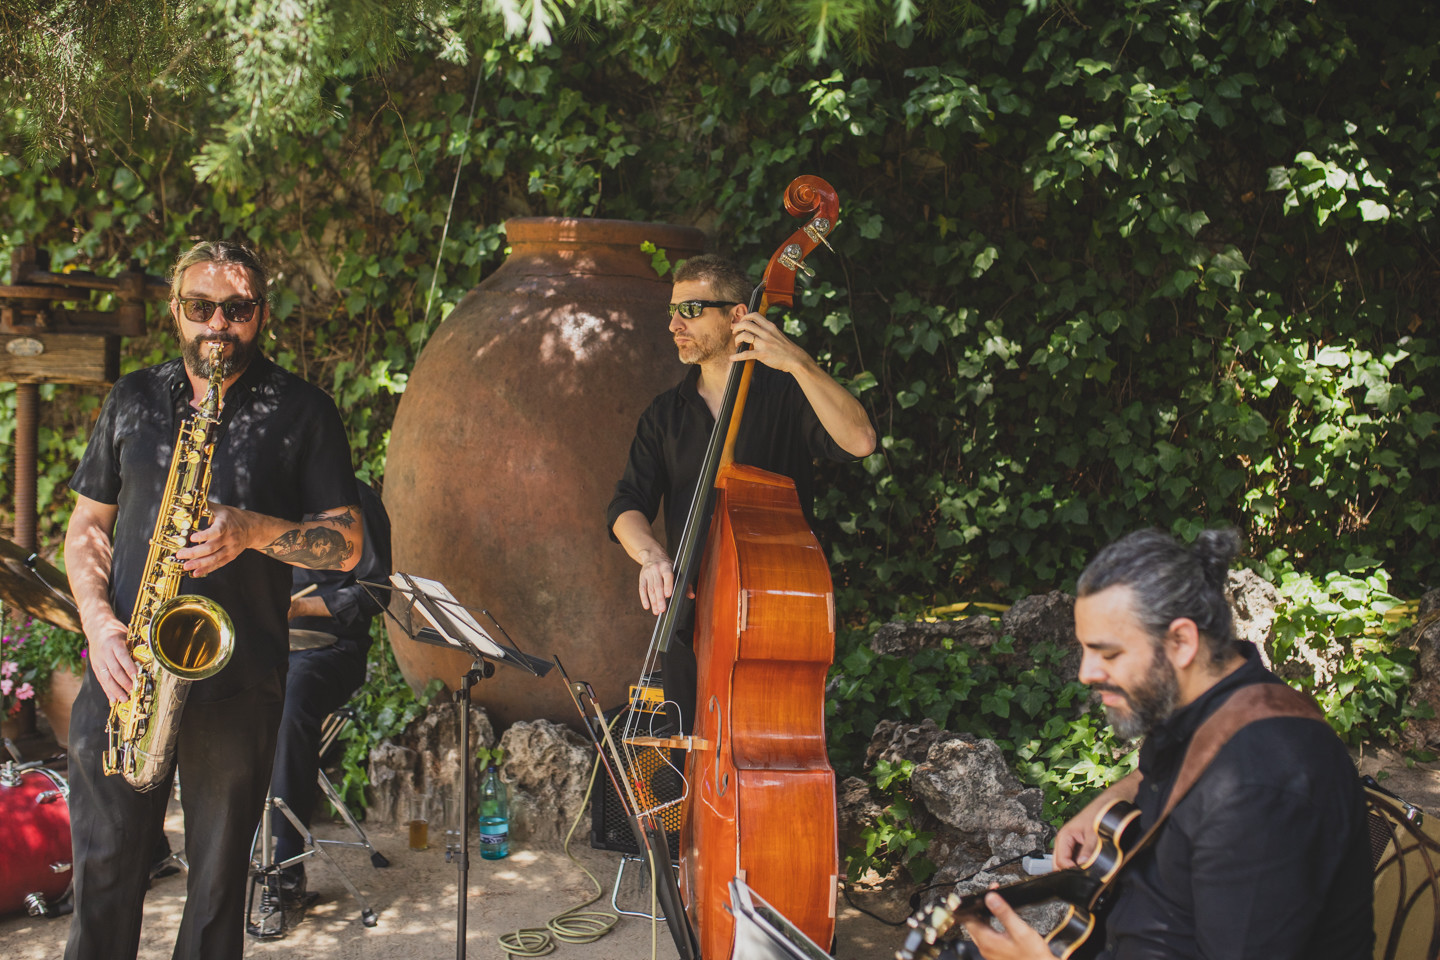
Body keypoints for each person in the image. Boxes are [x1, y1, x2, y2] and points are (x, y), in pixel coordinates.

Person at [64, 240, 363, 960]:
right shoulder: (133, 397)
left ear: (261, 314)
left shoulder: (303, 411)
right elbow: (85, 531)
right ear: (176, 312)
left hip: (237, 679)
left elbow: (346, 547)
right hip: (126, 667)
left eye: (236, 309)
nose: (217, 325)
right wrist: (101, 627)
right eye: (201, 307)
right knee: (104, 869)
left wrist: (255, 531)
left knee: (217, 887)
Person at [960, 528, 1373, 960]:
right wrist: (1110, 801)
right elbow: (1178, 772)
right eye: (1084, 649)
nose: (1086, 673)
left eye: (1108, 653)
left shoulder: (1257, 791)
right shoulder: (1213, 707)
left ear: (1181, 642)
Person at [607, 254, 876, 730]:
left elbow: (860, 442)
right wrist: (650, 556)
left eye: (690, 310)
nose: (673, 324)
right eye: (673, 311)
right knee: (684, 769)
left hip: (770, 619)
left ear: (737, 316)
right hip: (689, 624)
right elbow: (627, 504)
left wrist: (799, 363)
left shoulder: (789, 393)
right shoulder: (665, 415)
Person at [266, 479, 391, 909]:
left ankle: (285, 872)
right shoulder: (266, 497)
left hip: (333, 648)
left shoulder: (355, 501)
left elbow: (377, 590)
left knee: (289, 703)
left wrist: (301, 607)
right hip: (266, 644)